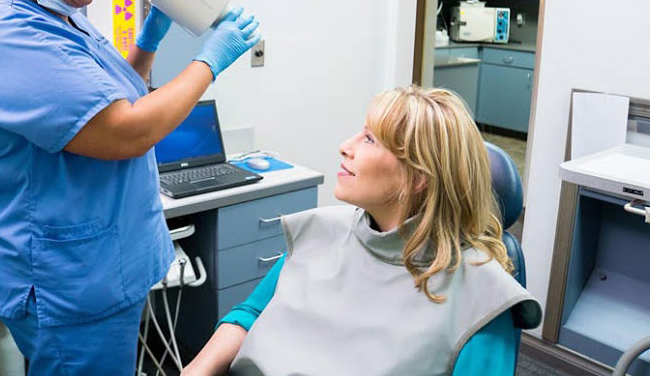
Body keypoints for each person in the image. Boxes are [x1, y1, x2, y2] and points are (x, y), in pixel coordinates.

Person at [0, 0, 260, 376]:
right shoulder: (8, 37)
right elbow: (126, 130)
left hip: (98, 267)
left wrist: (150, 38)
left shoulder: (58, 18)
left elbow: (114, 100)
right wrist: (209, 61)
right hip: (68, 281)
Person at [182, 86, 542, 376]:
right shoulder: (320, 232)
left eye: (369, 140)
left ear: (418, 177)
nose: (346, 146)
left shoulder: (480, 297)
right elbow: (249, 315)